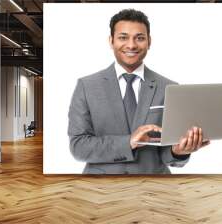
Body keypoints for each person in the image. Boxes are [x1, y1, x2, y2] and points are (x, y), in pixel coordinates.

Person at [68, 9, 210, 174]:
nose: (131, 45)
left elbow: (167, 152)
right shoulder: (86, 86)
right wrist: (128, 142)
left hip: (154, 189)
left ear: (149, 42)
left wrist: (177, 151)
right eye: (123, 37)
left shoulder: (170, 88)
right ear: (111, 41)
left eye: (140, 38)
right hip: (101, 189)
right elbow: (78, 146)